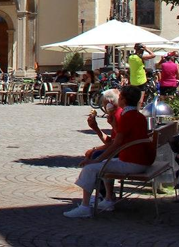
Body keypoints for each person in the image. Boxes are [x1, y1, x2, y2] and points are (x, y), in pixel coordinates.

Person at [65, 85, 155, 218]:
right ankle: (107, 199)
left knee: (90, 168)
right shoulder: (138, 115)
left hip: (133, 162)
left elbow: (116, 143)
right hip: (141, 160)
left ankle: (85, 206)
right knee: (105, 163)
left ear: (123, 99)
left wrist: (96, 160)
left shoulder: (127, 116)